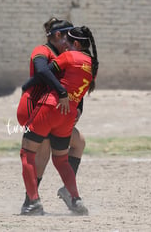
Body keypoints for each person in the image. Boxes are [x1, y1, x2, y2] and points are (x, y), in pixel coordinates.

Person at [19, 26, 98, 216]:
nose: (65, 46)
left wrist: (26, 87)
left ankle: (33, 202)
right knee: (61, 159)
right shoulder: (92, 65)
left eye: (68, 43)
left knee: (27, 153)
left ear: (76, 44)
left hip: (50, 108)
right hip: (68, 115)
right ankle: (76, 199)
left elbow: (43, 73)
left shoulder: (69, 57)